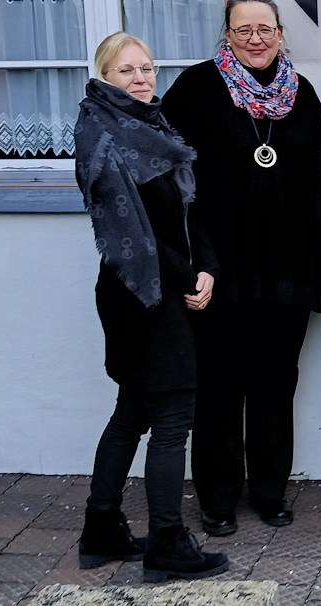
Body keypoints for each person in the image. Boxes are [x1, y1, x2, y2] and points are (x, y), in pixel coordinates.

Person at [162, 0, 321, 536]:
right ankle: (217, 498)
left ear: (281, 33)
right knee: (220, 389)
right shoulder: (195, 90)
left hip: (287, 275)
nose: (255, 39)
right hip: (219, 273)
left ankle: (270, 493)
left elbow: (319, 187)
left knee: (276, 387)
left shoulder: (301, 96)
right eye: (242, 30)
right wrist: (191, 264)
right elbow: (173, 187)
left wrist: (320, 270)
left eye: (265, 29)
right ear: (227, 35)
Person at [74, 32, 228, 582]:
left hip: (165, 288)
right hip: (140, 295)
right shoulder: (103, 138)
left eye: (146, 69)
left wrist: (206, 265)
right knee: (169, 419)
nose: (141, 79)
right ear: (104, 77)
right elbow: (134, 233)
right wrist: (191, 276)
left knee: (133, 411)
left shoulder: (152, 127)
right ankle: (166, 541)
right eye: (127, 71)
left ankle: (101, 529)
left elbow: (188, 212)